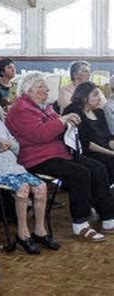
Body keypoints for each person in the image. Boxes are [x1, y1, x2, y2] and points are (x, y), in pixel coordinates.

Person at [6, 72, 114, 242]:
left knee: (97, 167)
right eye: (41, 86)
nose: (47, 89)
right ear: (28, 90)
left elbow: (57, 128)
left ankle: (108, 218)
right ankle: (81, 224)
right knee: (79, 173)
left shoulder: (46, 108)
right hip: (36, 158)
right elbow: (40, 134)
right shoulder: (20, 109)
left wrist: (69, 123)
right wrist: (63, 120)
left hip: (59, 153)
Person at [0, 85, 60, 254]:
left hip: (13, 168)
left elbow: (16, 145)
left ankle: (40, 231)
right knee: (23, 189)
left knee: (41, 187)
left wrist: (10, 145)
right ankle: (23, 233)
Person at [63, 82, 114, 184]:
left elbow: (108, 138)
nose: (99, 98)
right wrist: (112, 153)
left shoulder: (99, 112)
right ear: (84, 97)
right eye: (95, 95)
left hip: (105, 150)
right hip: (87, 152)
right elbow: (85, 143)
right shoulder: (73, 111)